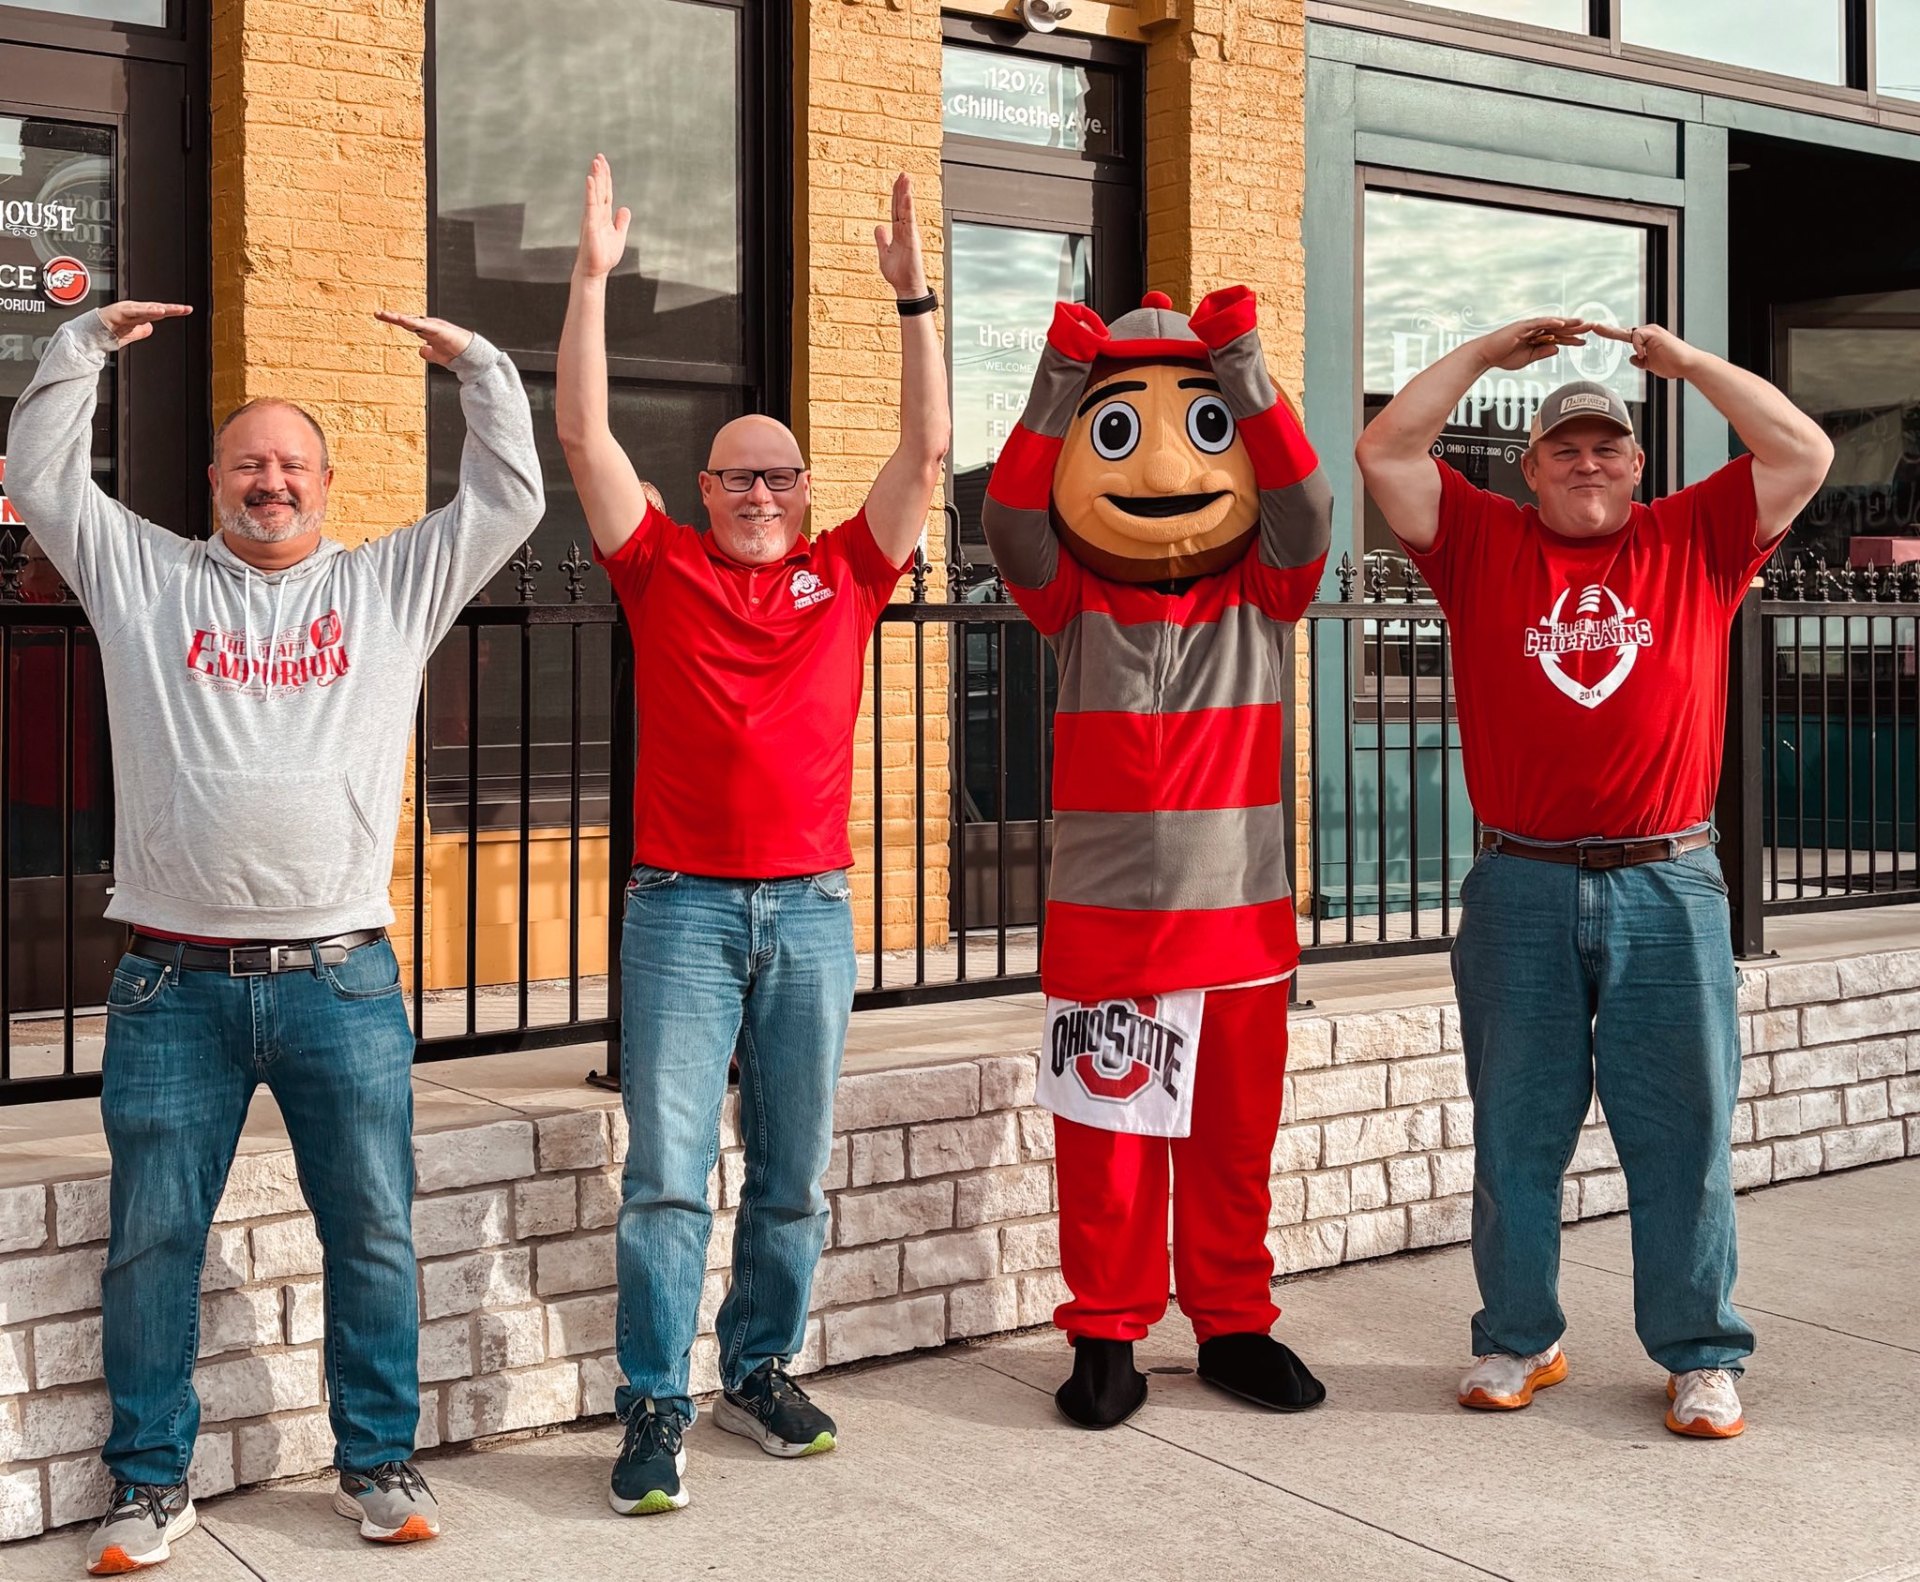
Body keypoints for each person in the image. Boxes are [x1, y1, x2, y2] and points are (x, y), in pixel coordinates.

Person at [4, 298, 542, 1571]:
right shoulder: (144, 575)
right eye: (250, 462)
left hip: (340, 979)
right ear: (213, 483)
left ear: (326, 482)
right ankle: (148, 1484)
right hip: (169, 983)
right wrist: (77, 351)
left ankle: (378, 1463)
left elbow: (510, 500)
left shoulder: (385, 585)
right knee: (152, 1241)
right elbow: (37, 476)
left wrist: (476, 364)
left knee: (368, 1230)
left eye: (293, 462)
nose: (272, 480)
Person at [1354, 316, 1833, 1439]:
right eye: (1564, 449)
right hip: (1520, 883)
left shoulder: (1697, 535)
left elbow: (1802, 453)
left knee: (1683, 1130)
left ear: (1636, 465)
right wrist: (1482, 354)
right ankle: (1518, 1337)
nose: (1587, 464)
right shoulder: (1480, 541)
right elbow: (1385, 453)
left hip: (1669, 881)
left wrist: (1690, 368)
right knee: (1517, 1130)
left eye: (1607, 448)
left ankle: (1702, 1353)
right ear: (1529, 469)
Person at [554, 155, 948, 1514]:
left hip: (813, 911)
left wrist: (913, 302)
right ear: (706, 487)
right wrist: (593, 283)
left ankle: (759, 1367)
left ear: (802, 485)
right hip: (681, 911)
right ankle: (654, 1399)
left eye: (779, 475)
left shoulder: (848, 571)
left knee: (791, 1173)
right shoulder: (656, 567)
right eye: (738, 477)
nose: (760, 494)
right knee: (669, 1177)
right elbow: (586, 440)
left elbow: (926, 452)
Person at [981, 286, 1332, 1427]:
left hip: (1238, 925)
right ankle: (1105, 1333)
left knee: (1233, 1148)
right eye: (1120, 429)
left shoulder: (1264, 592)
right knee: (1109, 1152)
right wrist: (1057, 376)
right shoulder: (1071, 598)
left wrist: (1243, 369)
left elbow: (1307, 506)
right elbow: (1008, 519)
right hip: (1105, 927)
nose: (1166, 468)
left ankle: (1232, 1322)